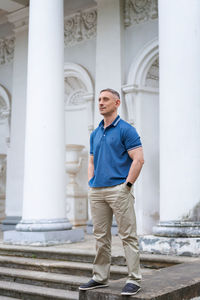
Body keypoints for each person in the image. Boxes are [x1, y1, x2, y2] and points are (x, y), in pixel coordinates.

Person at [79, 88, 144, 296]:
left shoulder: (126, 130)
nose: (100, 102)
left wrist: (127, 186)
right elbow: (91, 161)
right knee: (100, 237)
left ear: (117, 103)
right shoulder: (95, 133)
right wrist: (91, 181)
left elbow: (139, 159)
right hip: (97, 191)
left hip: (119, 189)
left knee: (128, 236)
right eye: (99, 99)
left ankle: (134, 279)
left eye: (105, 99)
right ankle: (100, 277)